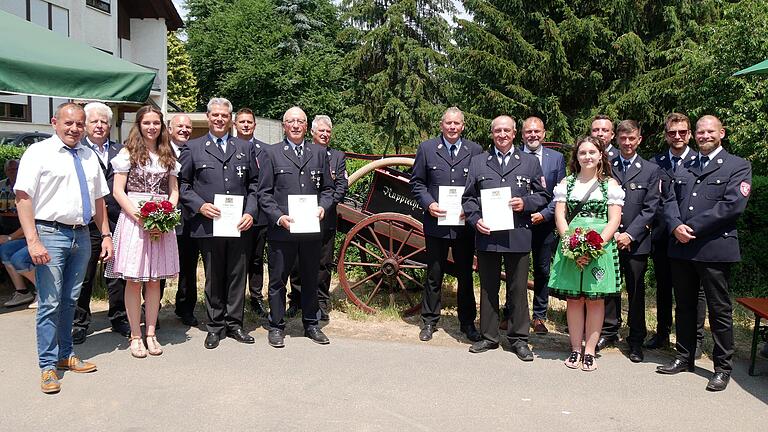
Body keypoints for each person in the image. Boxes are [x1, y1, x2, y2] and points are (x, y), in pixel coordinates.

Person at [15, 102, 113, 394]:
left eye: (79, 124)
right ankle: (47, 367)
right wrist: (33, 240)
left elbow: (98, 200)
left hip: (81, 235)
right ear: (54, 122)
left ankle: (64, 355)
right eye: (69, 123)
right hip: (49, 233)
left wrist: (106, 234)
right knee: (49, 302)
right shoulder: (38, 153)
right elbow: (22, 197)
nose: (75, 129)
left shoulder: (87, 155)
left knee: (70, 300)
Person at [656, 115, 751, 392]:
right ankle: (684, 356)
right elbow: (669, 199)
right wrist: (674, 226)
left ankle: (722, 367)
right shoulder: (686, 164)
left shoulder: (738, 165)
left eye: (710, 131)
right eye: (700, 132)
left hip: (713, 248)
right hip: (682, 247)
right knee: (684, 306)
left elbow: (732, 206)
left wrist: (690, 227)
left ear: (721, 132)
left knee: (719, 309)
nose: (704, 136)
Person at [462, 115, 550, 361]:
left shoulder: (529, 163)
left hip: (518, 235)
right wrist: (474, 219)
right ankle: (489, 337)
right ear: (492, 134)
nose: (502, 134)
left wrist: (526, 202)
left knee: (518, 289)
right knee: (489, 288)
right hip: (487, 235)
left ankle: (519, 339)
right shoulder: (479, 162)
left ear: (514, 134)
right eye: (497, 130)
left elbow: (544, 196)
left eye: (506, 130)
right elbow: (468, 198)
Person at [179, 98, 259, 350]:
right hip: (208, 222)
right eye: (215, 115)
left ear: (231, 118)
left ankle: (235, 323)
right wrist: (199, 205)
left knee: (237, 274)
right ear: (208, 116)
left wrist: (251, 212)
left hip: (238, 223)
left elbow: (256, 186)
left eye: (225, 115)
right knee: (213, 275)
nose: (220, 119)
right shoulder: (193, 148)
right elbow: (183, 185)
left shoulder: (244, 148)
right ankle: (215, 326)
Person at [104, 106, 180, 358]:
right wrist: (142, 218)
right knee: (134, 280)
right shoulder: (127, 153)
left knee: (155, 279)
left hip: (161, 219)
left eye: (156, 123)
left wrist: (166, 214)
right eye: (147, 122)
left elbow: (174, 190)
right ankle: (135, 335)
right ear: (139, 124)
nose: (152, 127)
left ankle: (151, 333)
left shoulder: (169, 152)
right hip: (135, 220)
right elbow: (118, 191)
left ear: (161, 125)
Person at [257, 106, 334, 348]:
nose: (296, 125)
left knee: (311, 278)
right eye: (291, 121)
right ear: (284, 126)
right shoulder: (271, 153)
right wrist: (278, 217)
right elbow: (264, 193)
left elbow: (329, 189)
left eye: (300, 121)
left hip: (311, 230)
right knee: (278, 280)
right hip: (282, 230)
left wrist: (323, 206)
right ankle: (276, 325)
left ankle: (311, 323)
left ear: (306, 124)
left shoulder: (319, 153)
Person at [548, 136, 623, 371]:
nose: (587, 157)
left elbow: (614, 220)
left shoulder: (610, 185)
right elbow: (560, 216)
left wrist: (595, 246)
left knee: (595, 300)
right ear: (576, 156)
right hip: (571, 246)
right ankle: (575, 349)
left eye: (592, 152)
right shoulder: (566, 184)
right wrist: (571, 244)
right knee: (574, 300)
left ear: (601, 155)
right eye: (583, 153)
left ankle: (589, 351)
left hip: (600, 248)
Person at [410, 107, 482, 342]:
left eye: (457, 124)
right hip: (436, 223)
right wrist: (429, 204)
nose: (452, 127)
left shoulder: (475, 151)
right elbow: (417, 183)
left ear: (463, 126)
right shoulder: (427, 149)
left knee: (465, 276)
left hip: (463, 226)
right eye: (448, 123)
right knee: (434, 274)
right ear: (441, 125)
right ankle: (429, 321)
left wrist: (470, 209)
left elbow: (481, 187)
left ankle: (468, 323)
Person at [647, 113, 706, 358]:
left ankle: (696, 338)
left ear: (690, 134)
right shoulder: (656, 162)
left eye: (682, 132)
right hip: (663, 234)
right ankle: (662, 333)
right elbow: (654, 199)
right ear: (666, 135)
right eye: (673, 133)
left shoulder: (700, 160)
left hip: (693, 235)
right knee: (664, 286)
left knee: (696, 290)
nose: (678, 137)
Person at [72, 102, 130, 343]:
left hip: (117, 220)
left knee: (117, 274)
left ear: (109, 125)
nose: (99, 125)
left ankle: (119, 317)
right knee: (84, 275)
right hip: (87, 222)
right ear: (85, 125)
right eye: (93, 121)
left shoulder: (121, 151)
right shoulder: (76, 150)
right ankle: (79, 322)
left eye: (103, 121)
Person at [607, 120, 660, 363]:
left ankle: (636, 340)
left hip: (637, 242)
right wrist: (614, 232)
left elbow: (650, 208)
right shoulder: (607, 165)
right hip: (609, 238)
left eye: (632, 139)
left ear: (639, 139)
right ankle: (608, 332)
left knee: (636, 293)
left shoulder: (650, 169)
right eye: (623, 139)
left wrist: (630, 234)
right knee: (607, 287)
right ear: (617, 139)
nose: (627, 143)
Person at [287, 115, 348, 322]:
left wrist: (325, 206)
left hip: (325, 218)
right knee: (296, 262)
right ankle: (295, 299)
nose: (324, 134)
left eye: (328, 132)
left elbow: (340, 186)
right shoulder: (301, 152)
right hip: (299, 217)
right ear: (312, 132)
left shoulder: (338, 157)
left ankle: (321, 301)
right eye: (321, 131)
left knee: (323, 262)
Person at [520, 116, 566, 334]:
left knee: (542, 269)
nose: (533, 135)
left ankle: (539, 316)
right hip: (517, 222)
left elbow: (560, 194)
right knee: (515, 270)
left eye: (537, 131)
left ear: (544, 133)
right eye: (528, 132)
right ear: (522, 135)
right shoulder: (514, 155)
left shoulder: (556, 159)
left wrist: (545, 215)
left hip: (544, 223)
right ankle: (513, 312)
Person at [590, 115, 622, 351]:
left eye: (605, 130)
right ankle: (595, 329)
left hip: (624, 232)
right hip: (592, 233)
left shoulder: (623, 159)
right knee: (594, 281)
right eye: (596, 129)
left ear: (612, 134)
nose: (600, 133)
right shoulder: (585, 156)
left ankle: (611, 329)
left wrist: (626, 231)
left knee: (614, 284)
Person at [235, 107, 269, 318]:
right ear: (235, 125)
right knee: (237, 259)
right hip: (234, 215)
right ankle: (235, 298)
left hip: (260, 215)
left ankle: (256, 297)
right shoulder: (228, 147)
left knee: (256, 259)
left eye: (249, 122)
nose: (246, 125)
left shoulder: (266, 150)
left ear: (255, 125)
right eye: (242, 122)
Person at [169, 114, 201, 327]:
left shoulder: (195, 151)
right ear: (169, 128)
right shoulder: (160, 150)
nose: (184, 130)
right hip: (164, 217)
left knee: (188, 267)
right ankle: (150, 307)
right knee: (159, 266)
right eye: (179, 126)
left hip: (190, 217)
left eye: (188, 127)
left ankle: (185, 308)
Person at [0, 230, 35, 307]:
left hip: (44, 238)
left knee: (18, 259)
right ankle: (22, 292)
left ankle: (44, 292)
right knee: (5, 250)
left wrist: (9, 237)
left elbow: (29, 226)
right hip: (28, 239)